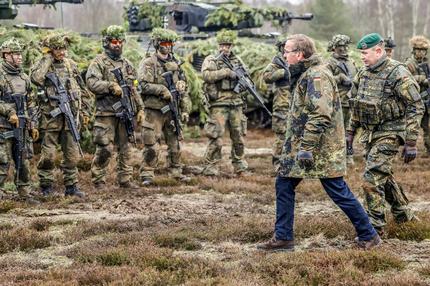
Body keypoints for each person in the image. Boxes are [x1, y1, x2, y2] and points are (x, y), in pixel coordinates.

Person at [257, 34, 379, 252]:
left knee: (337, 190)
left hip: (320, 148)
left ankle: (369, 235)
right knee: (283, 183)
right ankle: (283, 237)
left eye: (287, 51)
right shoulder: (305, 73)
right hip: (304, 146)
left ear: (300, 54)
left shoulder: (316, 76)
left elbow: (321, 114)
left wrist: (306, 148)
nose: (284, 55)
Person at [347, 33, 424, 235]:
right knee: (383, 174)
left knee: (371, 179)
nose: (362, 57)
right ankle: (402, 213)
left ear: (379, 51)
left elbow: (416, 105)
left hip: (392, 132)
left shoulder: (398, 72)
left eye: (365, 53)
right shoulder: (363, 73)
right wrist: (350, 133)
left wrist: (411, 141)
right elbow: (356, 105)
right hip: (371, 133)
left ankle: (375, 229)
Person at [31, 33, 91, 197]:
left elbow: (82, 90)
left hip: (69, 117)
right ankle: (45, 186)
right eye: (57, 49)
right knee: (48, 156)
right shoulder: (44, 65)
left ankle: (71, 187)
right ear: (50, 50)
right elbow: (36, 78)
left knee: (72, 155)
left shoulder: (71, 65)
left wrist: (84, 111)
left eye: (64, 48)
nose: (62, 52)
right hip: (50, 118)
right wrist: (48, 59)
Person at [86, 25, 144, 189]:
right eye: (113, 41)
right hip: (106, 112)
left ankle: (125, 179)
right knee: (105, 147)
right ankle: (98, 180)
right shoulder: (99, 62)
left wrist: (140, 108)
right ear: (106, 43)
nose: (117, 44)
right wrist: (111, 86)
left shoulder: (127, 64)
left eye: (120, 41)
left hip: (125, 111)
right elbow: (91, 83)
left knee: (126, 146)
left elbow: (134, 88)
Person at [138, 28, 191, 185]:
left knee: (175, 143)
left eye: (170, 43)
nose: (167, 46)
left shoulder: (176, 63)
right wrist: (162, 90)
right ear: (157, 44)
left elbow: (184, 87)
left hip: (172, 108)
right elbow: (142, 85)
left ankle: (176, 171)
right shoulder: (148, 63)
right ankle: (147, 173)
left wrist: (184, 102)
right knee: (151, 144)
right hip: (154, 111)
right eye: (164, 43)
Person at [201, 30, 248, 176]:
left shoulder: (237, 60)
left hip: (236, 103)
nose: (225, 48)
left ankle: (239, 165)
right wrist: (226, 72)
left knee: (238, 136)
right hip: (219, 104)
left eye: (228, 45)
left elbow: (246, 75)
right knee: (215, 137)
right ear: (218, 45)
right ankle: (211, 167)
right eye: (222, 45)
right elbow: (206, 75)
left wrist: (240, 75)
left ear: (232, 46)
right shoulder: (212, 59)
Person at [0, 38, 39, 204]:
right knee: (2, 161)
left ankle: (24, 193)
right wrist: (9, 112)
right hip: (3, 126)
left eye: (20, 53)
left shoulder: (24, 77)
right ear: (6, 55)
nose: (19, 57)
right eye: (16, 53)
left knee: (23, 159)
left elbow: (31, 102)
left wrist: (33, 125)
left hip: (22, 126)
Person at [325, 34, 358, 165]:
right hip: (338, 103)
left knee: (351, 131)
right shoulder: (329, 63)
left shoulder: (351, 62)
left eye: (345, 46)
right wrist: (339, 78)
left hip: (351, 102)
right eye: (340, 47)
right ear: (334, 48)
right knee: (336, 131)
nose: (343, 49)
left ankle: (348, 155)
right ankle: (335, 156)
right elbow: (324, 80)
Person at [262, 37, 292, 171]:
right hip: (281, 104)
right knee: (281, 135)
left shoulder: (296, 61)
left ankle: (291, 162)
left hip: (295, 103)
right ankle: (278, 163)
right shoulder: (277, 63)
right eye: (284, 47)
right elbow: (266, 77)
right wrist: (282, 72)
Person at [404, 35, 430, 155]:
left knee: (427, 128)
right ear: (414, 51)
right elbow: (404, 79)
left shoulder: (426, 64)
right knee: (411, 128)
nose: (421, 53)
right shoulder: (409, 64)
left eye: (423, 50)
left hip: (426, 100)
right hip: (413, 102)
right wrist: (421, 79)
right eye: (418, 50)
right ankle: (407, 151)